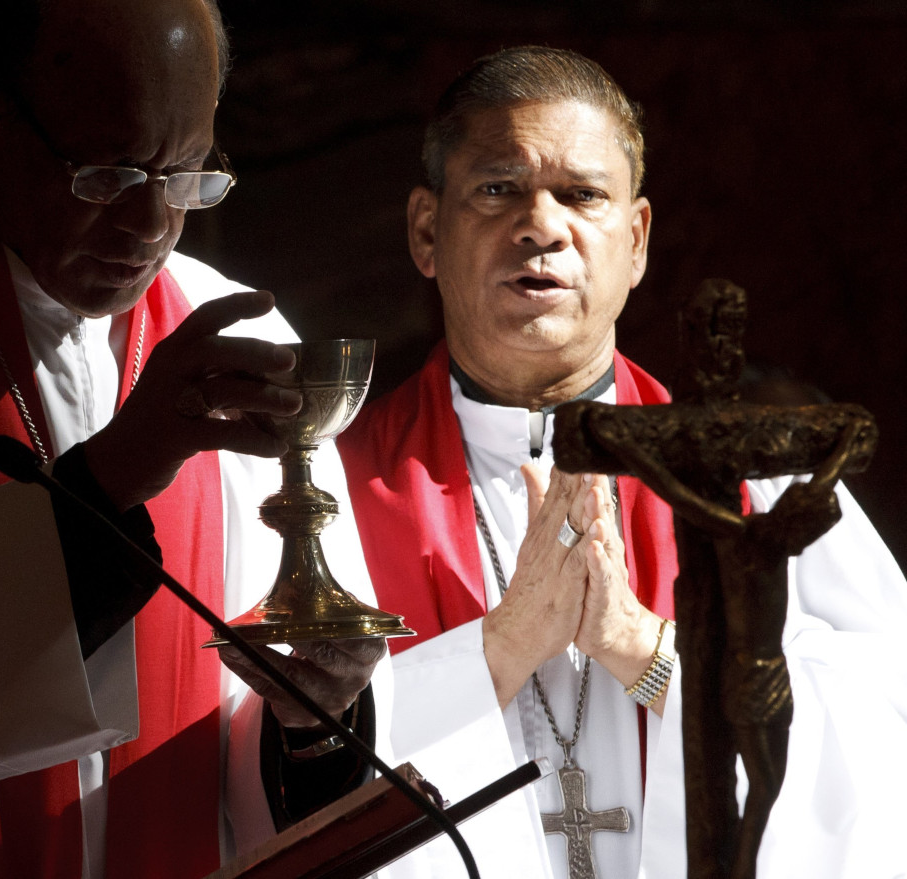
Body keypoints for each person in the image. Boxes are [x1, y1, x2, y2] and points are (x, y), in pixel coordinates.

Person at [336, 46, 907, 878]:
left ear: (635, 241)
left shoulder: (754, 476)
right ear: (428, 230)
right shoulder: (330, 493)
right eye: (499, 189)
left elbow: (887, 733)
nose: (542, 224)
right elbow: (271, 768)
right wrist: (498, 649)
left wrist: (646, 650)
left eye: (582, 195)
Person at [0, 1, 388, 877]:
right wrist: (123, 467)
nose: (151, 227)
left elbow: (257, 752)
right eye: (108, 175)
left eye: (187, 176)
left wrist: (314, 721)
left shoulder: (246, 344)